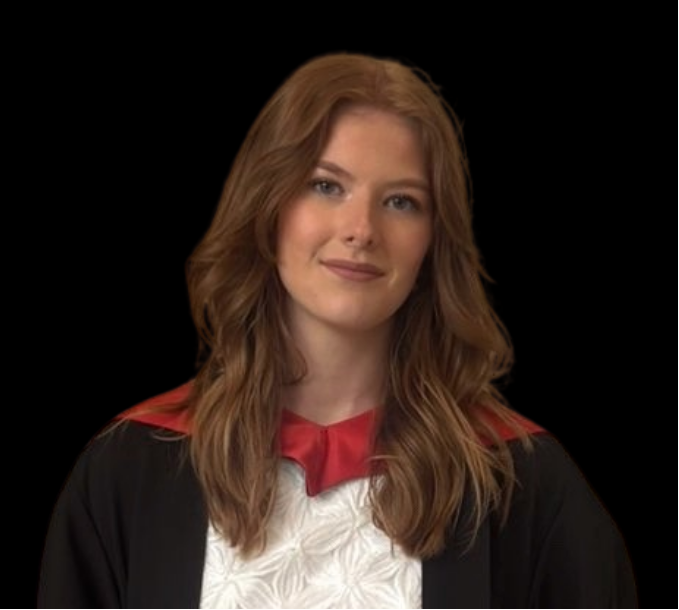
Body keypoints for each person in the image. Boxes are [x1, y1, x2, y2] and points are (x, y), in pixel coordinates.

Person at [37, 52, 638, 608]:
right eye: (326, 186)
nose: (361, 229)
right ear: (268, 207)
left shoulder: (522, 488)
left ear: (434, 242)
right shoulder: (131, 468)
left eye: (401, 201)